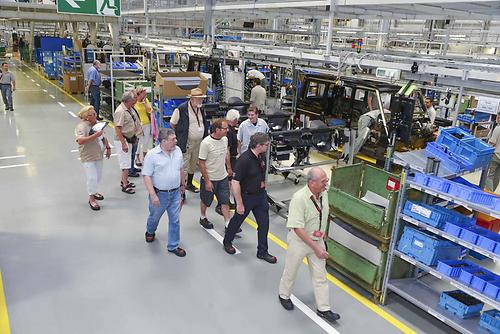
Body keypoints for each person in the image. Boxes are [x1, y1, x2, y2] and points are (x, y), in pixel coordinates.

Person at [278, 167, 340, 324]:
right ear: (311, 183)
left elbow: (322, 214)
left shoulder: (324, 194)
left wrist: (322, 233)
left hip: (317, 240)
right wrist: (316, 247)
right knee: (291, 271)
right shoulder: (299, 198)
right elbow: (297, 228)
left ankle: (323, 308)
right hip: (299, 242)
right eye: (323, 181)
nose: (326, 183)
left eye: (326, 180)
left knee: (320, 276)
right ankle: (284, 295)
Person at [223, 133, 277, 264]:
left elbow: (260, 171)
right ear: (258, 145)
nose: (267, 146)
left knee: (264, 225)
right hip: (246, 197)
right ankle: (227, 241)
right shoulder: (244, 160)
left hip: (260, 196)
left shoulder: (261, 156)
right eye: (266, 144)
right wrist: (239, 203)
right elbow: (235, 182)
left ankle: (262, 252)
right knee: (237, 221)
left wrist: (263, 183)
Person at [142, 128, 186, 257]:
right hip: (159, 194)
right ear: (163, 141)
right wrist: (153, 195)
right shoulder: (152, 155)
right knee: (154, 217)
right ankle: (150, 231)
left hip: (175, 193)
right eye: (173, 139)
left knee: (175, 220)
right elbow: (146, 176)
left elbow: (181, 169)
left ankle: (173, 245)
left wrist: (182, 187)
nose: (176, 141)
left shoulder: (177, 151)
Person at [170, 87, 209, 194]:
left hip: (199, 142)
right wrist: (181, 133)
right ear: (192, 99)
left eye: (201, 98)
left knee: (193, 163)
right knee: (185, 165)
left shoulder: (200, 108)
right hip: (187, 142)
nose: (201, 100)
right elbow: (173, 123)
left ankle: (189, 184)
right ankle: (181, 190)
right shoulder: (181, 109)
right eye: (199, 98)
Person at [198, 119, 233, 230]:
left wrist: (229, 167)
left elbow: (226, 154)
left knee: (225, 201)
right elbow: (201, 163)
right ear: (217, 129)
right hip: (210, 178)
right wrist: (207, 181)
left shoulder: (225, 139)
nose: (227, 130)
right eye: (225, 128)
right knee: (206, 201)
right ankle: (203, 217)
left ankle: (228, 223)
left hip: (222, 177)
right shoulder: (206, 143)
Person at [75, 105, 111, 211]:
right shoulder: (81, 127)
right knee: (92, 177)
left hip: (98, 154)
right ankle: (91, 199)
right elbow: (80, 140)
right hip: (88, 155)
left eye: (95, 113)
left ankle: (95, 191)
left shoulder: (97, 125)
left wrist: (108, 147)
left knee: (98, 176)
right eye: (93, 114)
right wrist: (95, 135)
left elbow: (103, 137)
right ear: (87, 117)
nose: (96, 115)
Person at [114, 90, 142, 195]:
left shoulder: (129, 109)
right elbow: (118, 128)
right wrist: (123, 143)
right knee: (125, 164)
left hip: (129, 139)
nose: (135, 101)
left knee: (126, 161)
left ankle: (124, 181)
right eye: (133, 99)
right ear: (127, 101)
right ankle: (125, 185)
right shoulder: (120, 111)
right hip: (123, 140)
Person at [215, 109, 239, 215]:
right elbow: (227, 150)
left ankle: (226, 202)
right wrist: (229, 166)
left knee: (228, 183)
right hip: (228, 160)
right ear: (233, 120)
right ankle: (221, 205)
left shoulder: (231, 129)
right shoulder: (228, 132)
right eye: (236, 120)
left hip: (231, 159)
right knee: (226, 184)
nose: (237, 122)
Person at [133, 86, 153, 167]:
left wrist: (145, 103)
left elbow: (150, 110)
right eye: (144, 94)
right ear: (139, 93)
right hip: (138, 125)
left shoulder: (146, 100)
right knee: (139, 141)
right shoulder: (134, 101)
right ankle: (137, 157)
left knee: (146, 141)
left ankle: (145, 157)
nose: (145, 95)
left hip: (147, 123)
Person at [487, 112, 500, 192]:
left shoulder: (498, 128)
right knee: (497, 176)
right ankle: (492, 193)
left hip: (495, 156)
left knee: (490, 176)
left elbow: (492, 142)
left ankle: (487, 193)